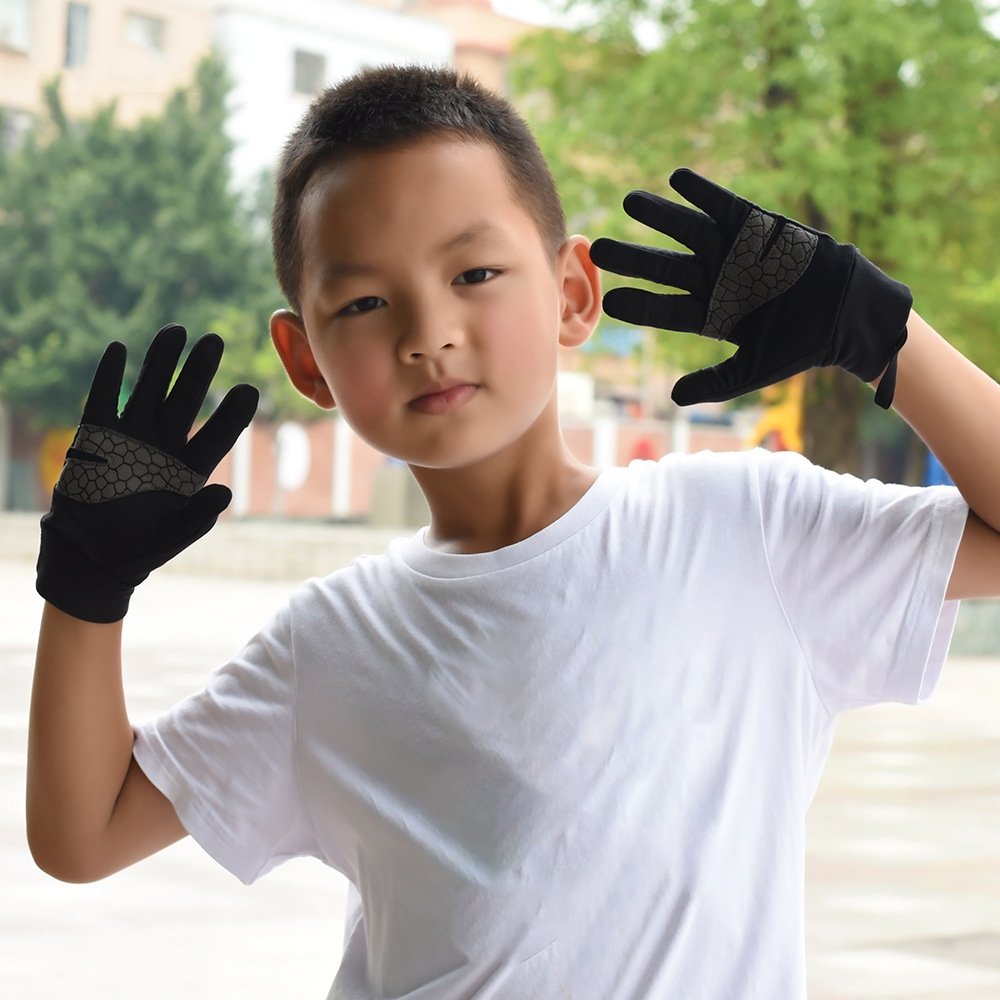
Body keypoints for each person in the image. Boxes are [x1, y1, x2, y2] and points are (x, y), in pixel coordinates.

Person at [26, 64, 1000, 999]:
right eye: (363, 302)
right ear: (306, 358)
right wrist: (85, 582)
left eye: (475, 270)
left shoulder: (746, 531)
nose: (426, 329)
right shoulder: (327, 642)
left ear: (573, 292)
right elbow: (83, 833)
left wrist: (879, 330)